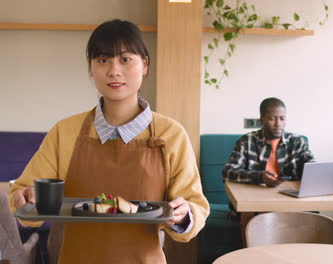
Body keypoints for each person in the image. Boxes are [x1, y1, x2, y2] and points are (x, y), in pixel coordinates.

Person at [9, 19, 209, 264]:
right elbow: (25, 204)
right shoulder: (65, 131)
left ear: (145, 65)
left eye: (125, 59)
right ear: (91, 69)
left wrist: (183, 215)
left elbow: (195, 209)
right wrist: (24, 200)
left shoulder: (171, 134)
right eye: (103, 60)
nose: (114, 71)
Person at [222, 97, 315, 188]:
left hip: (289, 196)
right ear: (261, 119)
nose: (278, 124)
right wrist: (259, 177)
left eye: (282, 119)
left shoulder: (296, 141)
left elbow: (312, 167)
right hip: (254, 195)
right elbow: (228, 172)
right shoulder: (247, 141)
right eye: (272, 119)